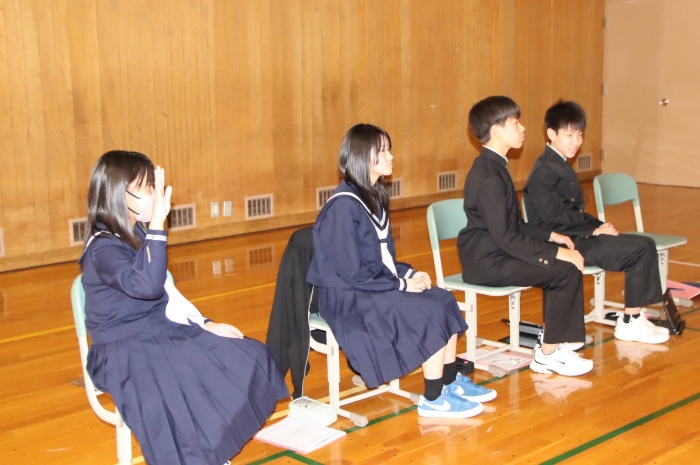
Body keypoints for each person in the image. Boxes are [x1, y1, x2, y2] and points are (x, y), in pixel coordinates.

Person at [79, 150, 289, 465]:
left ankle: (208, 453)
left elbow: (167, 292)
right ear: (119, 195)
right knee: (172, 399)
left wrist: (205, 323)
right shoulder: (102, 246)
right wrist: (158, 226)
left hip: (158, 332)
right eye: (146, 187)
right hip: (121, 350)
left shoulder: (136, 232)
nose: (154, 194)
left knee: (247, 356)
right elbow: (146, 286)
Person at [306, 124, 496, 419]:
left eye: (389, 149)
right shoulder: (342, 207)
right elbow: (353, 272)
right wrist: (401, 285)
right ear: (361, 156)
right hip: (348, 296)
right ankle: (433, 398)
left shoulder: (373, 197)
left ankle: (448, 382)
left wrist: (408, 274)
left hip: (372, 285)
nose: (390, 156)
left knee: (443, 299)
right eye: (382, 150)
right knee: (428, 312)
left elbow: (382, 258)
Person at [457, 96, 594, 377]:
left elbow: (516, 224)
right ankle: (548, 354)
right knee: (564, 268)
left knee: (566, 264)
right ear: (497, 131)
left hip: (496, 252)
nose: (522, 129)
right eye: (515, 123)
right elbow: (507, 237)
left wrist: (551, 235)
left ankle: (556, 345)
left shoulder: (496, 166)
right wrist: (555, 252)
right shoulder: (489, 176)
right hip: (486, 261)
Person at [523, 100, 668, 344]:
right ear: (551, 134)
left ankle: (633, 317)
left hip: (576, 235)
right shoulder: (545, 170)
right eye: (569, 135)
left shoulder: (559, 163)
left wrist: (599, 225)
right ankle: (630, 321)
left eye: (579, 134)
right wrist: (593, 229)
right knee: (640, 249)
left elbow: (571, 211)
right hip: (563, 243)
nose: (576, 141)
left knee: (644, 243)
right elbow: (554, 217)